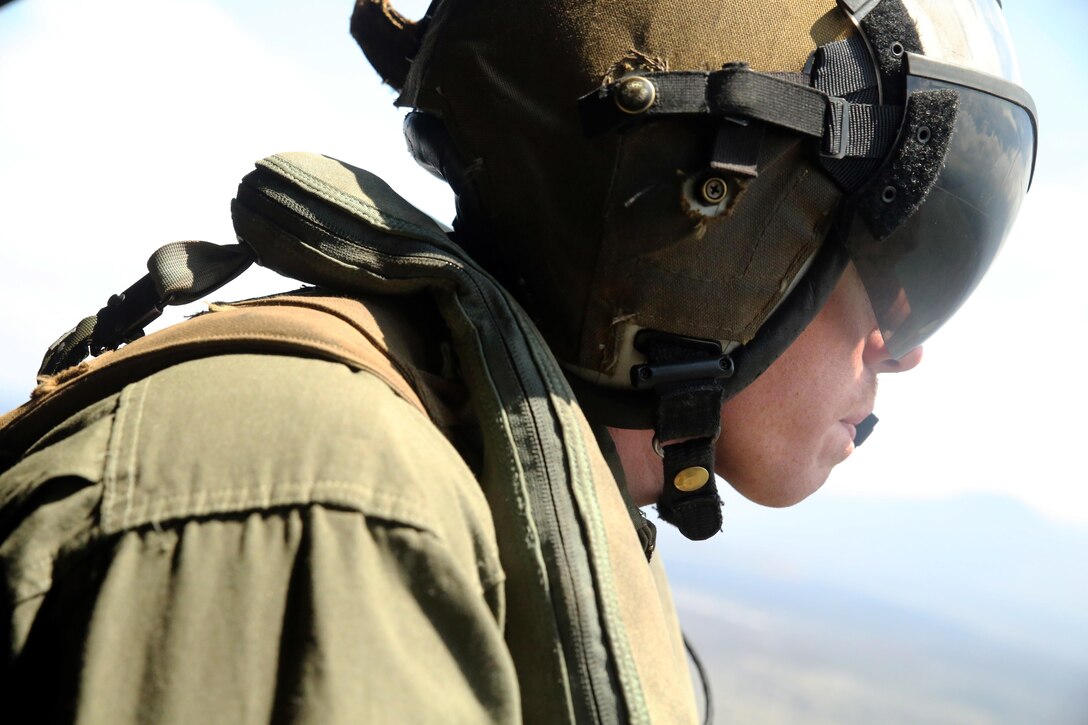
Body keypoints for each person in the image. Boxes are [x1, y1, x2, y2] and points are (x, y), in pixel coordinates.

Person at [0, 0, 1036, 722]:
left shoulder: (496, 488)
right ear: (712, 211)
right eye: (892, 267)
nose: (896, 350)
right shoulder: (332, 503)